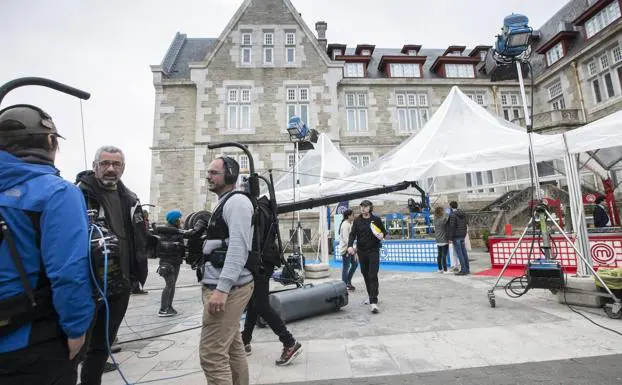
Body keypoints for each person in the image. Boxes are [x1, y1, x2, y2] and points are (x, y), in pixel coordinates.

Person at [0, 105, 94, 384]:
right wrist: (77, 330)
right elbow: (69, 273)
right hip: (31, 340)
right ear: (50, 141)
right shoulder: (56, 193)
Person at [76, 145, 149, 385]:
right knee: (75, 349)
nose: (110, 169)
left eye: (116, 164)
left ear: (123, 168)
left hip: (120, 285)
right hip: (88, 286)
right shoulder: (78, 194)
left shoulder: (130, 198)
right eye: (105, 163)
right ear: (95, 166)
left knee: (100, 348)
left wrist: (136, 274)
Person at [199, 156, 257, 385]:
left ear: (230, 175)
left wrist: (222, 289)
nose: (208, 176)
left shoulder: (237, 203)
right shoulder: (225, 202)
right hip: (226, 286)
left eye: (214, 172)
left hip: (230, 288)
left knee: (212, 355)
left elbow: (238, 248)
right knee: (233, 347)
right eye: (208, 172)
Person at [347, 200, 387, 314]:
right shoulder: (357, 221)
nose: (363, 208)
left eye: (365, 206)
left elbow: (384, 232)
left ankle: (373, 302)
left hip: (374, 251)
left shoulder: (376, 220)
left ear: (370, 208)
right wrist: (350, 246)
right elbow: (352, 234)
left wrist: (382, 235)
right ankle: (371, 296)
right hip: (361, 252)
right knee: (366, 275)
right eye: (361, 207)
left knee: (372, 275)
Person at [156, 210, 185, 317]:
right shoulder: (166, 231)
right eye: (180, 217)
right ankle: (163, 309)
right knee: (169, 285)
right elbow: (163, 246)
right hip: (167, 262)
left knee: (172, 285)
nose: (182, 219)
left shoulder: (177, 231)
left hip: (176, 261)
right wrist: (176, 244)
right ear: (175, 219)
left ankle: (169, 306)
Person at [447, 201, 470, 276]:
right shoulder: (463, 213)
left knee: (459, 253)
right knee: (464, 252)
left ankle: (463, 270)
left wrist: (450, 238)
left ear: (450, 206)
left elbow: (452, 227)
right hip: (463, 235)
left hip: (456, 236)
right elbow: (466, 223)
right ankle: (467, 269)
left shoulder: (452, 215)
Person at [339, 209, 358, 290]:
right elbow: (346, 239)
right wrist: (353, 248)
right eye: (353, 215)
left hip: (350, 249)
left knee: (355, 264)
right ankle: (345, 284)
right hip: (346, 249)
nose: (354, 216)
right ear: (349, 216)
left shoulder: (350, 223)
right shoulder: (345, 225)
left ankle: (348, 281)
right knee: (346, 267)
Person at [433, 206, 449, 273]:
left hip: (438, 239)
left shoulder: (435, 219)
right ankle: (445, 270)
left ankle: (439, 269)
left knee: (439, 255)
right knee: (444, 255)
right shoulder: (443, 219)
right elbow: (447, 221)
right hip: (444, 239)